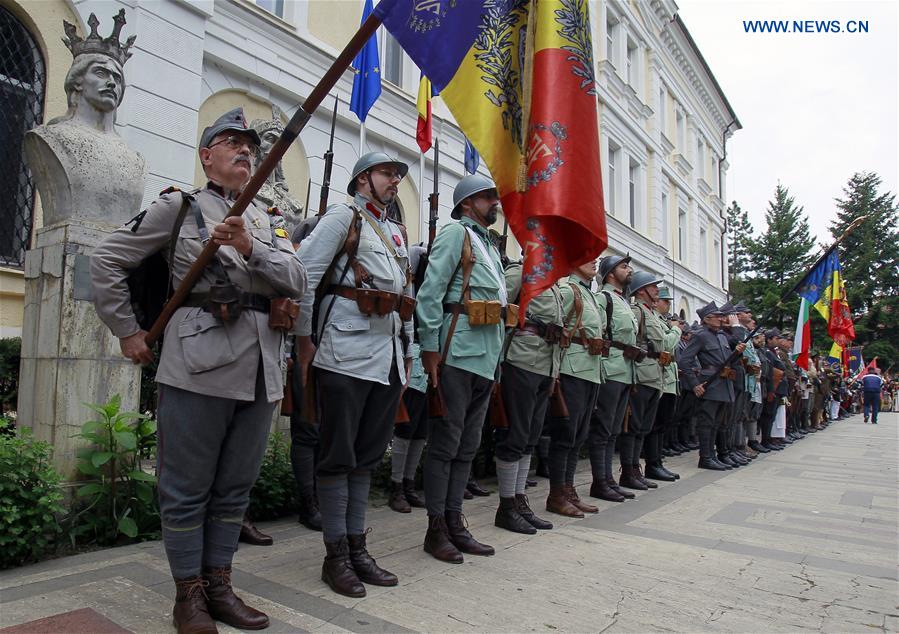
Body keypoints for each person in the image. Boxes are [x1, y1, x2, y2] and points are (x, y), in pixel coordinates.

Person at [91, 107, 306, 633]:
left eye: (250, 145)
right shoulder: (180, 209)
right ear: (206, 156)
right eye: (231, 141)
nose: (244, 150)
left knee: (235, 488)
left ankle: (220, 585)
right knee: (186, 487)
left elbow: (296, 278)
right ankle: (188, 594)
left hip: (260, 370)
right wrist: (127, 331)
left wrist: (250, 246)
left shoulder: (266, 220)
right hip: (199, 364)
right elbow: (106, 259)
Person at [294, 152, 414, 598]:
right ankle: (335, 556)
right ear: (363, 178)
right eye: (387, 173)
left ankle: (358, 547)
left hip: (385, 355)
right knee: (337, 455)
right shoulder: (343, 216)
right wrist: (305, 339)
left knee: (366, 457)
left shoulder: (397, 231)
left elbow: (406, 294)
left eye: (397, 176)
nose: (394, 182)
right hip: (342, 350)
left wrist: (409, 352)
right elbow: (304, 273)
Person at [415, 174, 507, 564]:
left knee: (467, 447)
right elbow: (431, 293)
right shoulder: (456, 234)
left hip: (486, 357)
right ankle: (436, 529)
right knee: (445, 445)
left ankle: (455, 522)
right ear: (468, 203)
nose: (495, 203)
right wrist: (430, 350)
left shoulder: (489, 245)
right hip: (455, 354)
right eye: (488, 197)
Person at [493, 260, 564, 533]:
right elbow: (500, 311)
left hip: (545, 364)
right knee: (515, 435)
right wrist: (496, 361)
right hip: (520, 360)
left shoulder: (553, 282)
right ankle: (506, 506)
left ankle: (519, 500)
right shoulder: (520, 272)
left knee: (529, 438)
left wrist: (554, 371)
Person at [545, 260, 604, 516]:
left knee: (579, 436)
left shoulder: (589, 293)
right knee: (565, 435)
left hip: (591, 370)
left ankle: (569, 491)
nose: (593, 262)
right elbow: (557, 331)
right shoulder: (569, 290)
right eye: (586, 256)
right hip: (572, 368)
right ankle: (556, 495)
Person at [589, 255, 638, 502]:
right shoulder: (604, 298)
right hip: (610, 368)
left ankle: (608, 480)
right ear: (610, 274)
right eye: (623, 266)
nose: (629, 270)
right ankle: (599, 481)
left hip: (626, 369)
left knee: (614, 430)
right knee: (603, 428)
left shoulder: (623, 300)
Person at [676, 302, 744, 470]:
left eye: (722, 316)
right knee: (706, 422)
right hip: (710, 383)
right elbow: (685, 361)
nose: (722, 319)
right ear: (707, 319)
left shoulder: (721, 336)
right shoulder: (701, 335)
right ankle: (705, 457)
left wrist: (737, 353)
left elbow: (726, 361)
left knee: (716, 423)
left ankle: (713, 455)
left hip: (724, 384)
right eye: (718, 316)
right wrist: (695, 384)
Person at [388, 243, 429, 513]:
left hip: (431, 358)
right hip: (413, 353)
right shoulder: (415, 278)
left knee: (421, 430)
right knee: (406, 426)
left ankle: (409, 483)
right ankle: (396, 486)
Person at [631, 278, 682, 482]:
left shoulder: (656, 318)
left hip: (661, 376)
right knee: (646, 425)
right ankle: (646, 465)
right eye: (665, 301)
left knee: (656, 424)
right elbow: (666, 345)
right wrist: (676, 329)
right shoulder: (641, 312)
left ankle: (654, 463)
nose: (666, 304)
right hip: (647, 373)